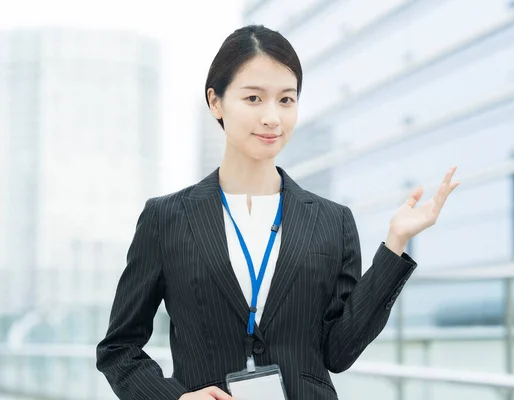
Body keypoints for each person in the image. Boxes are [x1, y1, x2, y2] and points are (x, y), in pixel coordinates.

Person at [96, 24, 459, 400]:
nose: (273, 117)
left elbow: (339, 352)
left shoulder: (332, 222)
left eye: (286, 100)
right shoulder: (166, 218)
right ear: (215, 101)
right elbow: (118, 349)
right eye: (254, 99)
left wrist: (395, 244)